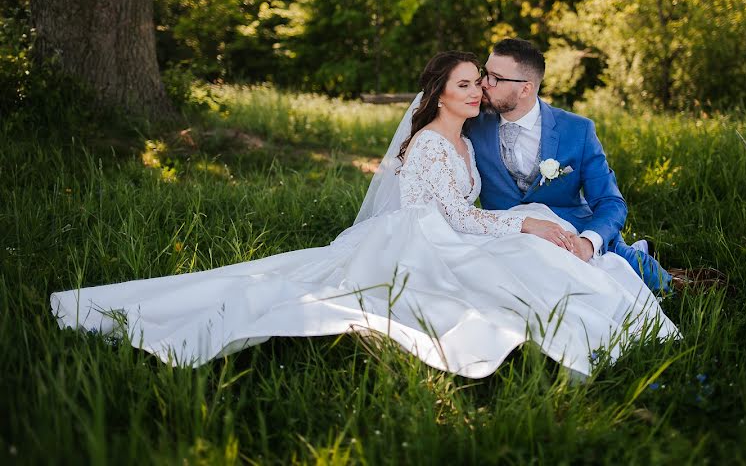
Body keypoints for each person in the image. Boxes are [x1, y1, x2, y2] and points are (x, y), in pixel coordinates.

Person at [50, 52, 677, 378]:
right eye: (465, 84)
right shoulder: (433, 143)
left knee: (542, 230)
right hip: (427, 240)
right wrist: (522, 223)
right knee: (526, 247)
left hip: (449, 229)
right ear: (437, 94)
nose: (476, 91)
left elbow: (468, 209)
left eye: (479, 83)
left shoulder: (466, 137)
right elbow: (453, 220)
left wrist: (531, 220)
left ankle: (625, 278)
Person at [467, 38, 673, 292]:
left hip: (569, 231)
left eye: (496, 78)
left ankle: (667, 273)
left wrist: (587, 242)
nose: (484, 84)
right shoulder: (470, 123)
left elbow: (611, 202)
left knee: (648, 284)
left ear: (525, 89)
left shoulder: (578, 130)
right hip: (506, 235)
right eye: (485, 73)